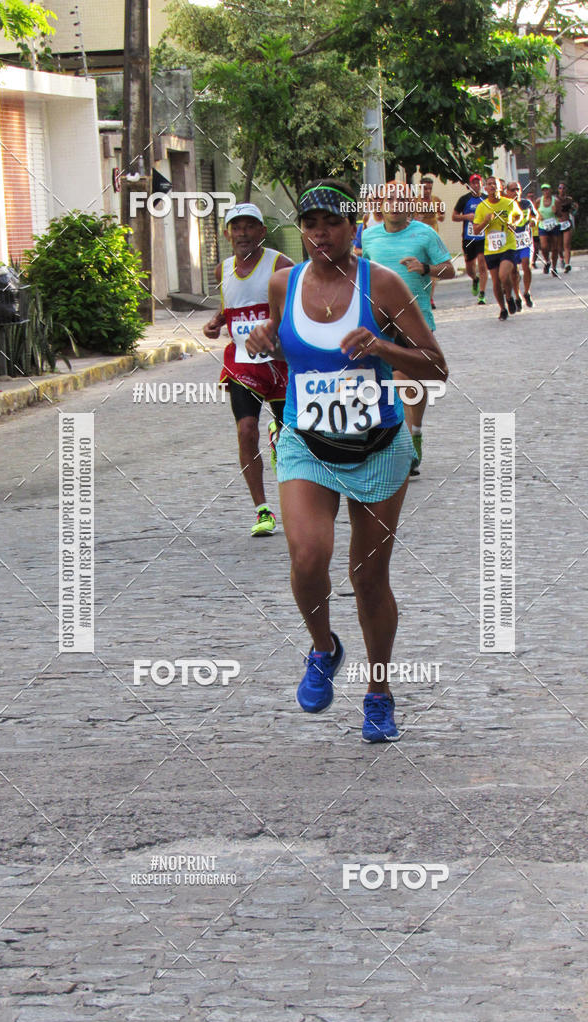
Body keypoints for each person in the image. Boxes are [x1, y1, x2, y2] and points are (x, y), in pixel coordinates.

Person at [246, 179, 448, 742]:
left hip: (379, 447)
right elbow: (291, 349)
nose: (320, 234)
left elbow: (436, 365)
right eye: (310, 225)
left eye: (331, 223)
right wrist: (267, 339)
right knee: (309, 557)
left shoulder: (379, 282)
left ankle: (379, 692)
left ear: (352, 228)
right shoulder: (283, 282)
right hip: (307, 441)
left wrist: (382, 348)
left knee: (367, 577)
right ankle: (323, 647)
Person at [203, 203, 293, 536]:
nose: (242, 233)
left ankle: (281, 448)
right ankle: (262, 510)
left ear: (261, 231)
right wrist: (216, 322)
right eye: (235, 227)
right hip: (243, 363)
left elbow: (298, 303)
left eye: (249, 226)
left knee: (290, 439)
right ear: (227, 234)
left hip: (281, 361)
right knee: (245, 430)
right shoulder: (221, 270)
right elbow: (230, 307)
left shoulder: (280, 265)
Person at [361, 181, 454, 477]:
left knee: (410, 383)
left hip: (416, 319)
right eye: (390, 198)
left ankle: (415, 432)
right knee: (394, 381)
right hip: (380, 322)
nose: (395, 203)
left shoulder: (424, 234)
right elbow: (362, 272)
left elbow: (449, 269)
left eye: (401, 199)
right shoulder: (369, 236)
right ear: (381, 203)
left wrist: (425, 269)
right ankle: (399, 442)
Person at [473, 175, 523, 321]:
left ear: (500, 187)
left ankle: (509, 296)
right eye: (489, 184)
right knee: (495, 281)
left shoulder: (509, 203)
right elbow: (476, 230)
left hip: (508, 246)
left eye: (495, 184)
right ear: (485, 188)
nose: (492, 187)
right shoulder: (482, 207)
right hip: (491, 249)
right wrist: (485, 222)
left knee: (503, 275)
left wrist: (514, 223)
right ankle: (502, 309)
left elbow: (518, 215)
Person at [452, 174, 487, 304]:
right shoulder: (464, 200)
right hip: (469, 237)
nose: (476, 186)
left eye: (478, 183)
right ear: (470, 185)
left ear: (481, 185)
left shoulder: (486, 199)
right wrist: (466, 217)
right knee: (469, 268)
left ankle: (482, 294)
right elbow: (454, 217)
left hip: (483, 236)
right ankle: (475, 279)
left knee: (482, 263)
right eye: (474, 183)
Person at [413, 176, 445, 309]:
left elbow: (442, 216)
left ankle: (430, 298)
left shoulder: (436, 200)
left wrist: (440, 216)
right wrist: (416, 219)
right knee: (420, 268)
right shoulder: (415, 202)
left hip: (433, 237)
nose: (427, 191)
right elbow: (410, 219)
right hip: (419, 238)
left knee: (432, 269)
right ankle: (420, 295)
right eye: (425, 188)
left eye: (430, 188)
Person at [506, 180, 538, 309]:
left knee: (526, 265)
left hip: (525, 241)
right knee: (513, 271)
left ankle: (527, 292)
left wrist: (533, 221)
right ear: (507, 192)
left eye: (518, 189)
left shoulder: (526, 203)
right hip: (511, 243)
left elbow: (535, 216)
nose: (516, 192)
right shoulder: (505, 205)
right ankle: (517, 296)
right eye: (512, 190)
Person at [537, 183, 560, 276]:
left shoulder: (556, 201)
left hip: (554, 225)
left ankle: (554, 268)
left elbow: (560, 215)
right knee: (544, 246)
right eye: (543, 190)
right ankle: (547, 261)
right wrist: (538, 216)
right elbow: (534, 212)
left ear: (550, 190)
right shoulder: (539, 201)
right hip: (543, 225)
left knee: (554, 248)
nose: (545, 191)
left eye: (547, 190)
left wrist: (556, 212)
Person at [555, 182, 578, 273]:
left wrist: (576, 209)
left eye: (563, 188)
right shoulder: (555, 199)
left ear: (566, 189)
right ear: (558, 189)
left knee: (567, 245)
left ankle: (567, 264)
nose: (562, 190)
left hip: (566, 223)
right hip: (558, 224)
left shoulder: (569, 200)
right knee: (559, 247)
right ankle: (561, 258)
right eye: (560, 188)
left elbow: (573, 211)